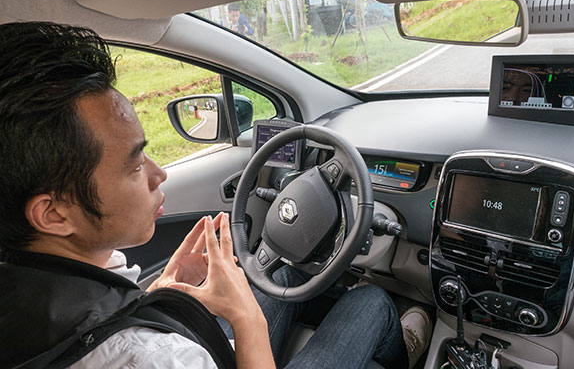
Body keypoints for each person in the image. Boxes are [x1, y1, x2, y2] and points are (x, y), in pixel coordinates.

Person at [0, 21, 431, 368]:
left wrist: (163, 294)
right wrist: (245, 319)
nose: (159, 173)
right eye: (134, 165)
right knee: (369, 302)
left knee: (285, 274)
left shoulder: (37, 277)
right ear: (53, 215)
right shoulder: (154, 358)